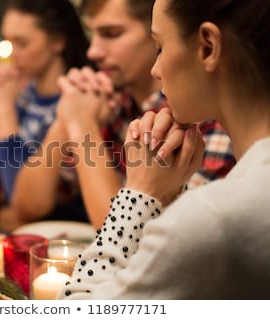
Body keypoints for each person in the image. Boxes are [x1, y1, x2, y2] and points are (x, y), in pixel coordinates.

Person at [58, 0, 270, 299]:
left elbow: (76, 308)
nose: (155, 70)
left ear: (208, 47)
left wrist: (140, 195)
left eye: (160, 47)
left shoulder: (214, 217)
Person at [11, 0, 236, 229]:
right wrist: (65, 120)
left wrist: (82, 127)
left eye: (111, 34)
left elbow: (126, 240)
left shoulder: (203, 116)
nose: (93, 51)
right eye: (92, 34)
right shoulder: (114, 104)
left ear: (157, 34)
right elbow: (28, 206)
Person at [0, 0, 93, 211]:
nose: (11, 54)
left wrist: (4, 110)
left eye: (22, 43)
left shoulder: (76, 101)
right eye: (8, 42)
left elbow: (19, 197)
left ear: (58, 41)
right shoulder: (24, 93)